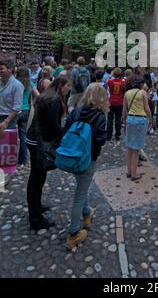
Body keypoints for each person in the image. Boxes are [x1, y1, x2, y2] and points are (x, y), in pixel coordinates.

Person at [64, 83, 108, 250]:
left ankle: (87, 212)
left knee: (82, 187)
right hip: (87, 159)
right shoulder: (99, 115)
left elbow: (66, 129)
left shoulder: (76, 110)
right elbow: (101, 140)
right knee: (80, 194)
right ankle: (73, 233)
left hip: (72, 156)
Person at [26, 76, 72, 230]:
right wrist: (66, 134)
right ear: (61, 86)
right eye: (68, 86)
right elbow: (54, 127)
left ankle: (36, 207)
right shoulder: (53, 100)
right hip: (39, 142)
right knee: (37, 178)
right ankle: (35, 219)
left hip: (35, 139)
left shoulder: (47, 96)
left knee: (37, 176)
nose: (69, 89)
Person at [122, 76, 152, 181]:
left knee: (129, 147)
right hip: (141, 120)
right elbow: (147, 109)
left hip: (130, 119)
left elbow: (124, 111)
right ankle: (134, 174)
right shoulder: (143, 93)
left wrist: (125, 123)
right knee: (136, 148)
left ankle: (129, 172)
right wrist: (151, 121)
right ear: (139, 84)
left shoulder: (127, 93)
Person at [16, 67, 39, 165]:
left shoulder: (15, 83)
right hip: (26, 111)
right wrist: (32, 103)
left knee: (9, 135)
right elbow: (39, 96)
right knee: (23, 136)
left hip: (14, 111)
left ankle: (9, 156)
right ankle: (23, 159)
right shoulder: (31, 84)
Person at [0, 57, 24, 131]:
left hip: (8, 120)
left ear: (10, 69)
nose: (0, 71)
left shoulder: (17, 85)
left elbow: (17, 107)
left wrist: (6, 122)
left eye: (1, 69)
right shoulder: (0, 82)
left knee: (5, 142)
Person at [107, 68, 126, 141]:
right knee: (118, 119)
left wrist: (110, 76)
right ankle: (117, 135)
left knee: (110, 119)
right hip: (119, 102)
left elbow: (105, 84)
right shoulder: (122, 82)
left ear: (114, 74)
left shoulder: (110, 81)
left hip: (111, 101)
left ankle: (108, 135)